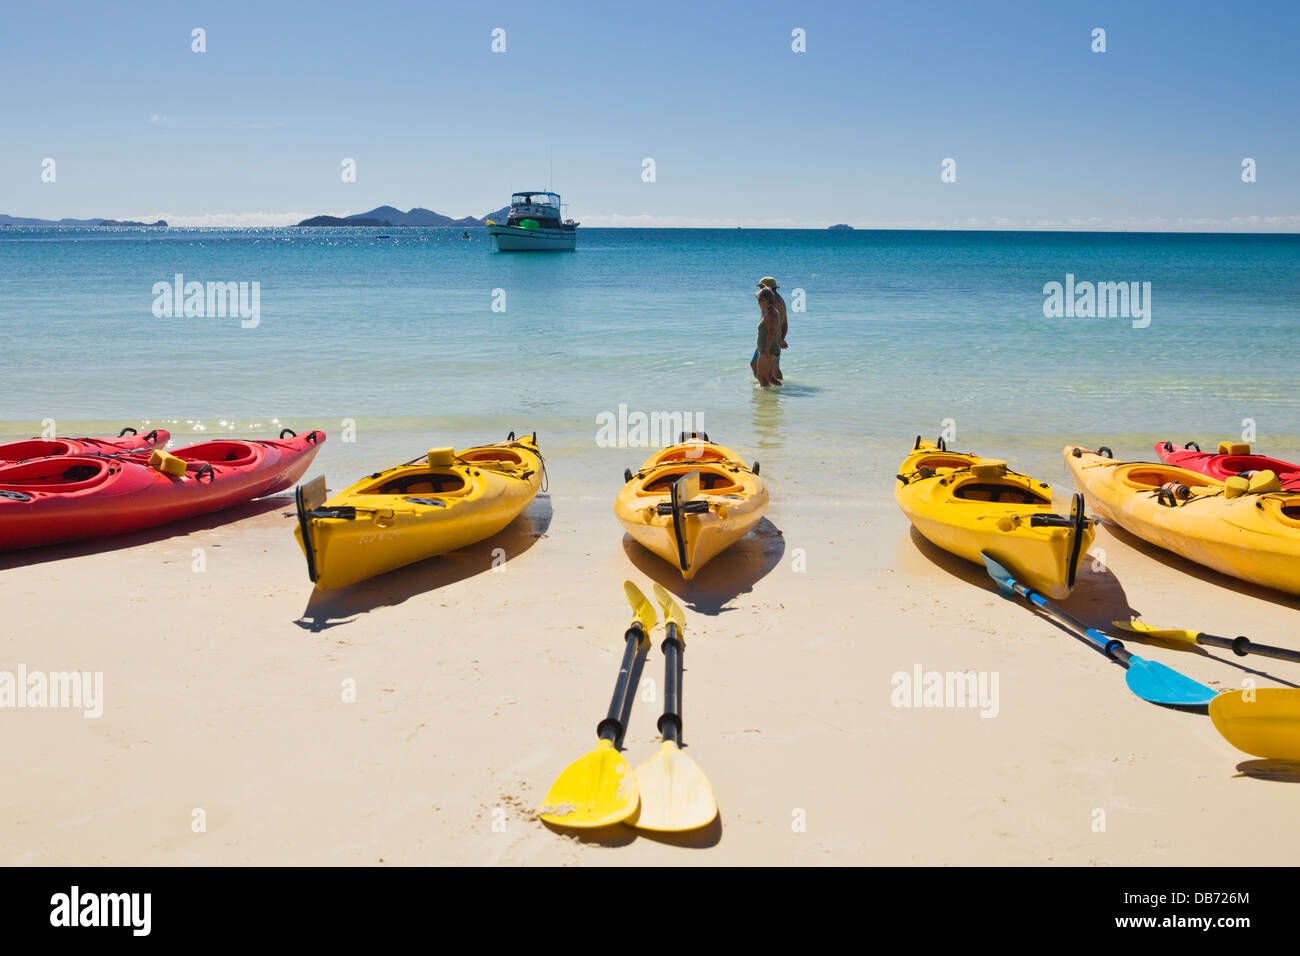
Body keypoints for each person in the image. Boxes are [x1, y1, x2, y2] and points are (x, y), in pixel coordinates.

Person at [757, 276, 787, 382]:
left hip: (770, 340)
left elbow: (773, 327)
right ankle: (776, 391)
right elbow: (785, 323)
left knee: (757, 366)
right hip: (775, 340)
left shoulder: (773, 303)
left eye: (761, 287)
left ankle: (766, 389)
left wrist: (768, 347)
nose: (760, 290)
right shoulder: (780, 300)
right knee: (774, 370)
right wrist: (782, 339)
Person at [751, 286, 783, 387]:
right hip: (768, 349)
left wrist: (767, 350)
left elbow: (772, 332)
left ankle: (766, 400)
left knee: (761, 377)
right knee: (770, 378)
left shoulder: (770, 313)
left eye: (759, 301)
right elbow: (758, 296)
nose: (758, 303)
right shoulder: (770, 311)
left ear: (764, 300)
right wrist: (764, 289)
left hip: (768, 350)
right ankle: (777, 394)